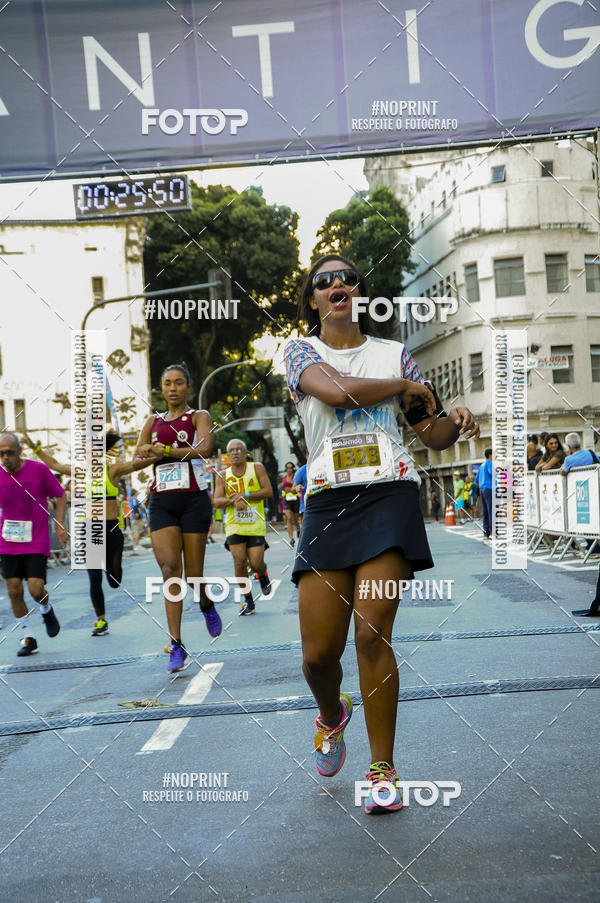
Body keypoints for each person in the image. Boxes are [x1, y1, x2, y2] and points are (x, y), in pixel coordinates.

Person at [284, 254, 479, 814]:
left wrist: (455, 418)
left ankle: (382, 768)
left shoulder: (394, 352)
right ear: (314, 300)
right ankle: (330, 713)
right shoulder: (300, 352)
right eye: (325, 282)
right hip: (326, 503)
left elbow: (432, 433)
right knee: (318, 656)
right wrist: (404, 386)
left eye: (346, 278)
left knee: (372, 635)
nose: (337, 285)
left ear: (359, 294)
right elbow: (338, 392)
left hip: (389, 495)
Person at [22, 431, 156, 636]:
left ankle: (114, 571)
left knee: (114, 580)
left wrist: (163, 452)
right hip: (91, 531)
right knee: (94, 578)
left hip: (112, 530)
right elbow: (55, 465)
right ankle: (101, 620)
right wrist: (35, 448)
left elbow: (136, 465)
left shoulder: (112, 470)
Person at [135, 363, 221, 673]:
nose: (173, 388)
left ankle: (206, 603)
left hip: (193, 501)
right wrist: (147, 449)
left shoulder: (199, 416)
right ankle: (177, 645)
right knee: (170, 569)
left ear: (188, 387)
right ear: (161, 388)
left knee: (193, 576)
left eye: (179, 383)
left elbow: (204, 448)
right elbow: (138, 456)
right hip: (162, 502)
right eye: (167, 383)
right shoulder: (152, 421)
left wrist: (166, 450)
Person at [0, 432, 67, 656]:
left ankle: (46, 609)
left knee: (36, 589)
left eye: (9, 452)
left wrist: (59, 524)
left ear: (19, 451)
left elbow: (60, 495)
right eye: (1, 454)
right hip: (8, 540)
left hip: (36, 538)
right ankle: (29, 637)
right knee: (14, 591)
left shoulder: (38, 470)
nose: (5, 458)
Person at [213, 438, 273, 615]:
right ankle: (249, 601)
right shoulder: (223, 475)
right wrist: (233, 500)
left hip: (255, 523)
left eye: (239, 449)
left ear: (246, 453)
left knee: (255, 563)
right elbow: (216, 501)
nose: (235, 452)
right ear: (228, 454)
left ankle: (262, 573)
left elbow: (268, 492)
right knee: (239, 563)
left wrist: (245, 495)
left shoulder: (257, 468)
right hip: (234, 525)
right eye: (231, 450)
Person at [279, 461, 301, 546]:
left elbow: (298, 486)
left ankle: (298, 528)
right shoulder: (284, 477)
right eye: (287, 468)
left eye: (290, 467)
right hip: (287, 499)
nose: (289, 469)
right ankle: (291, 538)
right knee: (288, 518)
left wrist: (292, 484)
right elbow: (283, 486)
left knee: (295, 520)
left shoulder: (295, 477)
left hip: (295, 499)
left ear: (293, 469)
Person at [476, 449, 494, 539]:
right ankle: (494, 532)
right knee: (492, 511)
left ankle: (486, 532)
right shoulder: (490, 463)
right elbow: (492, 473)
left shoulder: (481, 465)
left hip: (482, 489)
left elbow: (476, 479)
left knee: (485, 512)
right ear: (490, 455)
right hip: (489, 489)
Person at [292, 462, 308, 527]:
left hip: (324, 504)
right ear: (307, 456)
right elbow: (293, 488)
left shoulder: (324, 467)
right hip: (307, 506)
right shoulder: (302, 470)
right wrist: (296, 488)